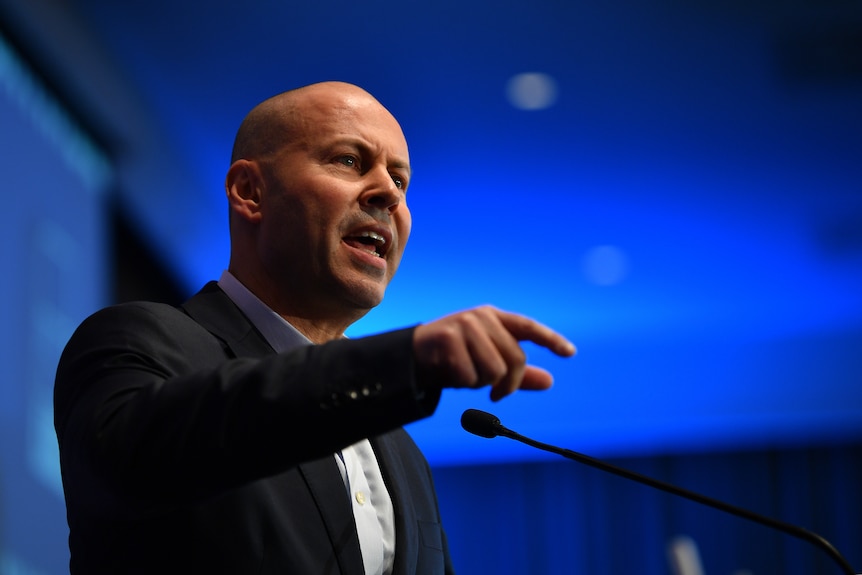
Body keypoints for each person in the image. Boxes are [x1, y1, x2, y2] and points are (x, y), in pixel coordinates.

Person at [54, 81, 576, 574]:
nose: (389, 195)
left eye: (400, 180)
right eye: (350, 161)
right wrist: (403, 360)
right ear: (250, 191)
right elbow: (130, 466)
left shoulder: (403, 455)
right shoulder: (141, 342)